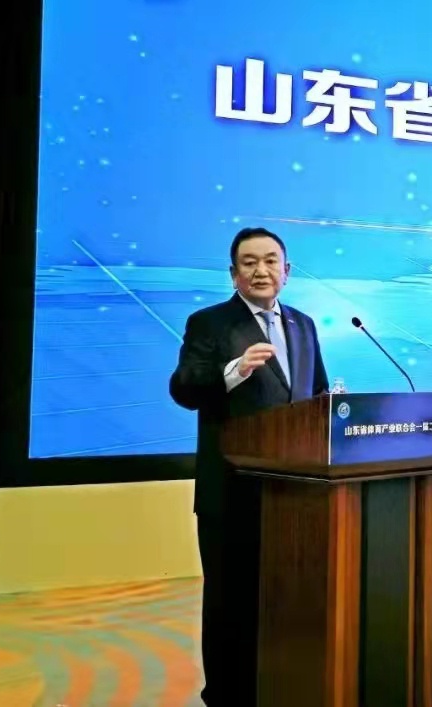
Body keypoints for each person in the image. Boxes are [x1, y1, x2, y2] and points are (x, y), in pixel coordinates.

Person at [169, 226, 329, 705]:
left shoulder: (303, 324)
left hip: (295, 494)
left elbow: (317, 393)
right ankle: (226, 695)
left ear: (287, 270)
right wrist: (235, 371)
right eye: (249, 262)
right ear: (234, 273)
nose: (261, 270)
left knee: (288, 598)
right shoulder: (210, 323)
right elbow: (184, 389)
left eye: (270, 260)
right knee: (230, 603)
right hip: (232, 492)